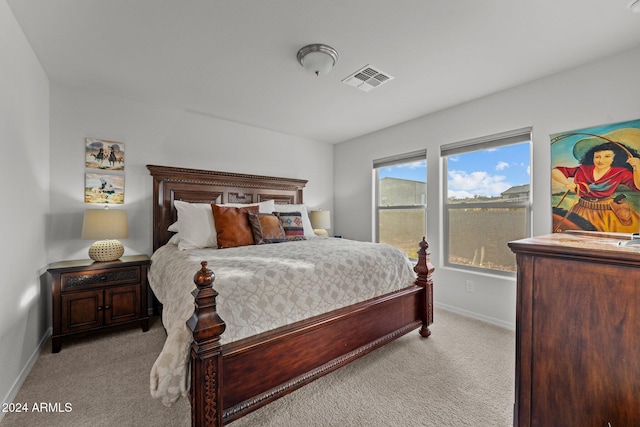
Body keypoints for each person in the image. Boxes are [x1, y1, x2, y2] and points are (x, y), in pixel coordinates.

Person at [552, 132, 640, 233]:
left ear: (614, 158)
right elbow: (555, 171)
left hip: (608, 213)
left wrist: (637, 167)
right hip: (581, 209)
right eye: (597, 157)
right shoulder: (583, 169)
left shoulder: (620, 172)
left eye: (607, 156)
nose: (600, 160)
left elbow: (638, 187)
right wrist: (566, 183)